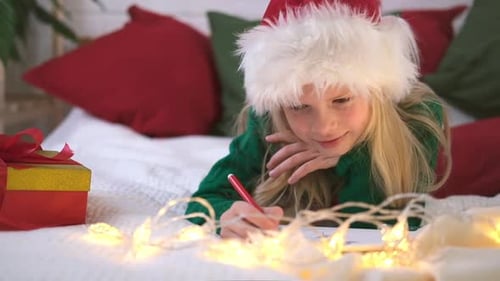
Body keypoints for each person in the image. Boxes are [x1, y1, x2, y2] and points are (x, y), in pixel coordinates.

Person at [185, 0, 451, 239]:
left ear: (376, 92)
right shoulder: (268, 122)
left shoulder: (419, 117)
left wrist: (351, 158)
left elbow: (380, 230)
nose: (323, 127)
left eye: (342, 100)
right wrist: (226, 217)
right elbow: (204, 202)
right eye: (299, 106)